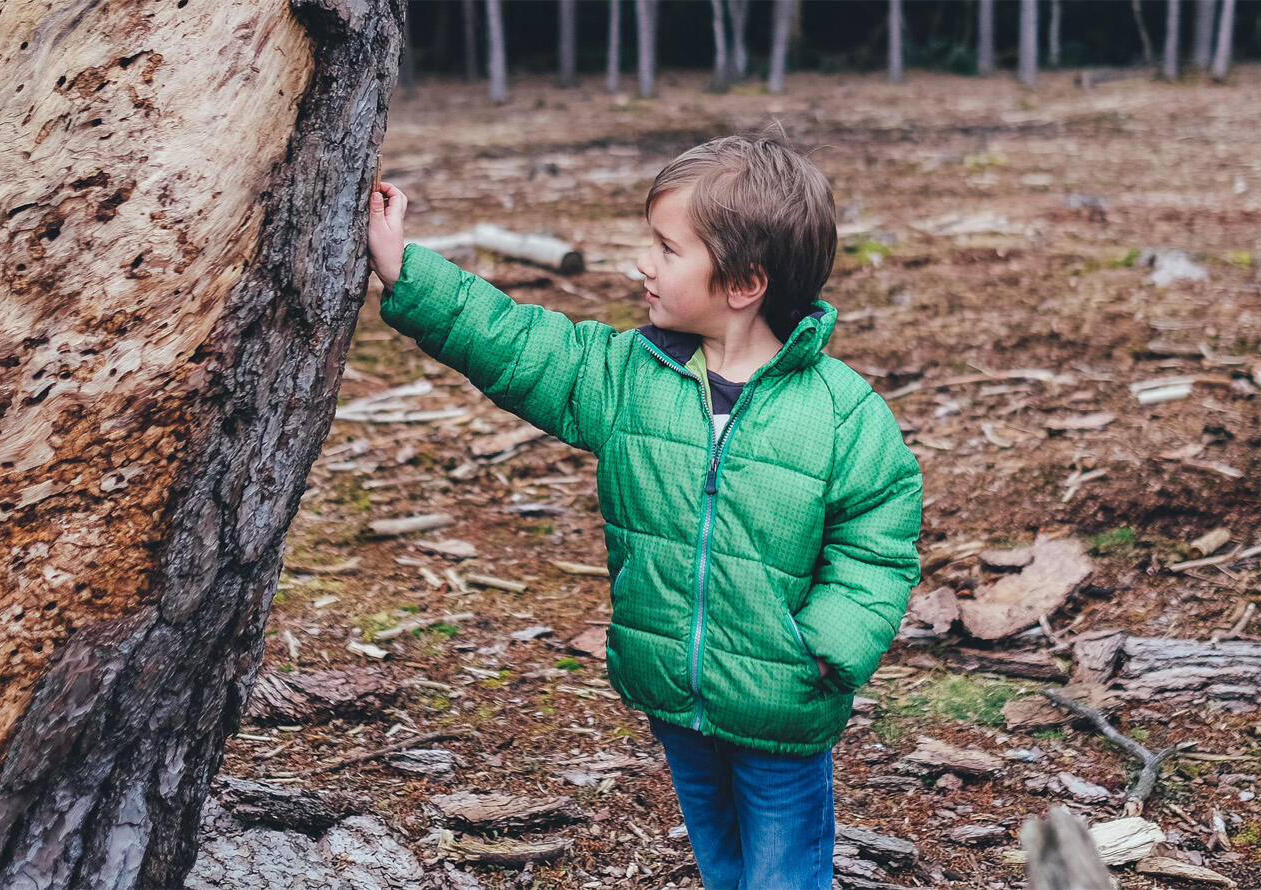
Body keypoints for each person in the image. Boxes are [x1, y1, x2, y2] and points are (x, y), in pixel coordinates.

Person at [365, 124, 922, 890]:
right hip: (671, 690)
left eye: (666, 248)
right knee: (722, 863)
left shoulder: (840, 412)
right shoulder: (631, 376)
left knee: (784, 874)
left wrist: (826, 648)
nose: (642, 263)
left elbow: (879, 540)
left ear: (743, 283)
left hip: (783, 706)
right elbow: (520, 344)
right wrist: (407, 272)